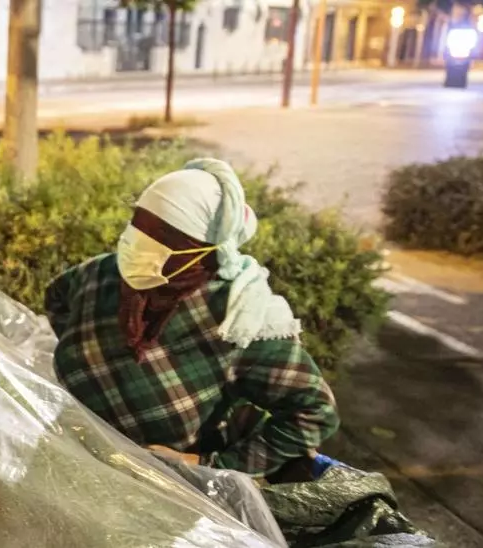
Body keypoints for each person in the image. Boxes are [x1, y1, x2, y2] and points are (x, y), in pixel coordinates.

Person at [44, 158, 340, 481]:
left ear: (202, 250)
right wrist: (89, 359)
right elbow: (57, 300)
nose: (139, 241)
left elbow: (314, 411)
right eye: (139, 224)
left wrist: (208, 464)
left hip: (147, 491)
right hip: (67, 454)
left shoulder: (237, 321)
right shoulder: (101, 274)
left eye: (162, 235)